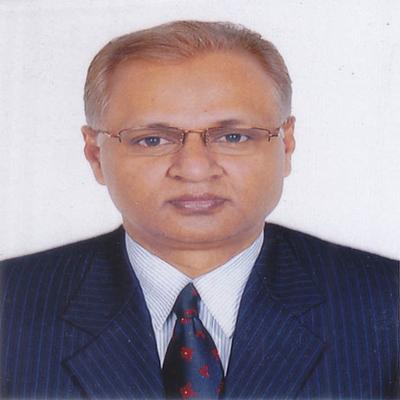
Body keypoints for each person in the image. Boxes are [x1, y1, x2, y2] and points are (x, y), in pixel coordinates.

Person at [0, 20, 398, 400]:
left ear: (286, 145)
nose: (194, 169)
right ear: (95, 155)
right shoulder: (9, 303)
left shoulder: (388, 304)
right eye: (152, 140)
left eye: (233, 136)